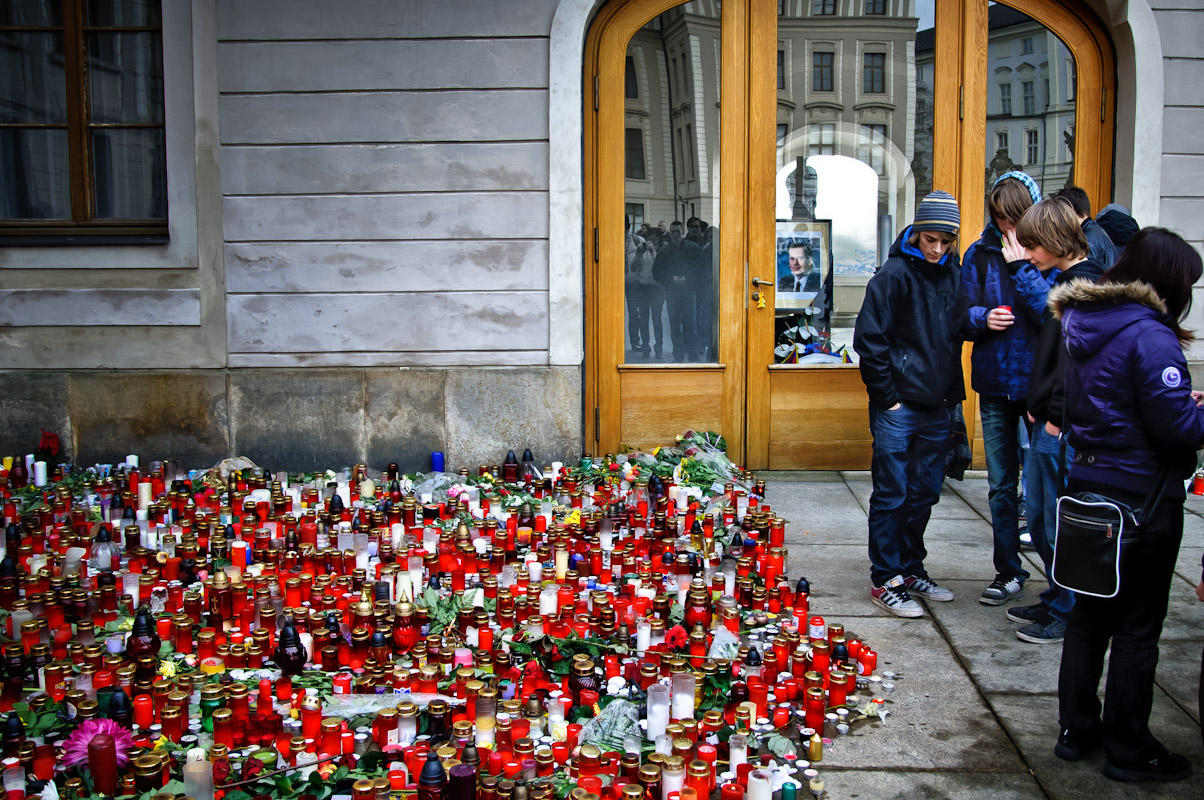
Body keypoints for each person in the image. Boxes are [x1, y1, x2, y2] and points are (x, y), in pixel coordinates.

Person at [1050, 227, 1204, 782]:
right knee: (1138, 627)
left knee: (1090, 615)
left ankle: (1076, 728)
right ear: (1168, 280)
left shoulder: (1085, 323)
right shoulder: (1151, 336)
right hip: (1142, 497)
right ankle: (1128, 749)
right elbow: (1175, 428)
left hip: (1091, 489)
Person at [853, 190, 965, 617]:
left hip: (938, 405)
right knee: (892, 493)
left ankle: (910, 567)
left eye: (946, 241)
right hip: (899, 407)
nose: (937, 249)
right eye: (930, 239)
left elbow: (954, 332)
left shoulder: (952, 272)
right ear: (917, 233)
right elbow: (870, 341)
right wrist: (889, 399)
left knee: (924, 493)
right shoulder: (893, 275)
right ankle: (885, 578)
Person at [1004, 198, 1106, 644]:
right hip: (1047, 415)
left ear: (1054, 241)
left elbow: (1078, 364)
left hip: (1059, 426)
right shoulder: (1068, 281)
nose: (1027, 254)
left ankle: (1067, 609)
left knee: (1055, 521)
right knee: (1045, 518)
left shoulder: (1084, 287)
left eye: (1032, 245)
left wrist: (1053, 418)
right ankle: (1056, 597)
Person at [961, 171, 1044, 607]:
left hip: (1040, 388)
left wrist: (1021, 268)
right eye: (1001, 219)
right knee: (999, 485)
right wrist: (981, 319)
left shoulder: (1046, 251)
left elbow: (1054, 315)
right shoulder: (979, 252)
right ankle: (1009, 570)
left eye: (1016, 219)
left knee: (1046, 485)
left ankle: (1060, 581)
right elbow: (960, 312)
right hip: (995, 381)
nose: (1008, 229)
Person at [652, 221, 704, 361]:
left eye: (678, 232)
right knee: (675, 325)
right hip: (672, 294)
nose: (675, 234)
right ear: (670, 232)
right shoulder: (664, 251)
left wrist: (687, 279)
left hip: (688, 293)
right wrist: (670, 279)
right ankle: (678, 355)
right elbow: (656, 272)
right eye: (673, 231)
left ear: (682, 232)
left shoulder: (692, 248)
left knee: (690, 325)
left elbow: (700, 270)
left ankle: (693, 355)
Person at [1053, 186, 1117, 267]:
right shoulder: (1095, 231)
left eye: (1060, 213)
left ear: (1070, 210)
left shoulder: (1087, 241)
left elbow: (1083, 275)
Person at [624, 215, 655, 356]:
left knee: (634, 313)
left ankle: (635, 342)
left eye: (623, 226)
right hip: (615, 283)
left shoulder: (638, 240)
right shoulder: (612, 238)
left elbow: (646, 261)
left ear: (628, 226)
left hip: (633, 283)